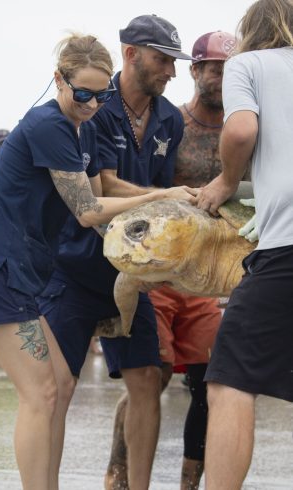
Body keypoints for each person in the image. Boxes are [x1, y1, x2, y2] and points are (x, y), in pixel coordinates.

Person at [0, 34, 193, 490]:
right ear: (58, 79)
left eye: (101, 96)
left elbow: (97, 208)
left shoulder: (79, 127)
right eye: (82, 93)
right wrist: (164, 194)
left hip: (19, 273)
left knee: (57, 384)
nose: (93, 104)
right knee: (41, 393)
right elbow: (88, 210)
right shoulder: (48, 125)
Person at [35, 15, 194, 490]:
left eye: (174, 61)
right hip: (77, 265)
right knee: (56, 389)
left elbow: (158, 189)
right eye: (163, 59)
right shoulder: (94, 105)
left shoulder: (169, 118)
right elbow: (104, 186)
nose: (171, 70)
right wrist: (162, 198)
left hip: (130, 271)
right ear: (131, 54)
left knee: (147, 379)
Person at [195, 1, 293, 488]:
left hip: (288, 247)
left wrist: (227, 182)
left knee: (231, 379)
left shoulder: (247, 64)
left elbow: (241, 129)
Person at [144, 31, 236, 490]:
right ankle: (120, 477)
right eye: (213, 68)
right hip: (159, 271)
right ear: (195, 70)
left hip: (208, 277)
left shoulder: (245, 131)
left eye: (229, 69)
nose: (220, 77)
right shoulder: (171, 124)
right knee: (150, 378)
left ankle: (188, 485)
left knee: (208, 385)